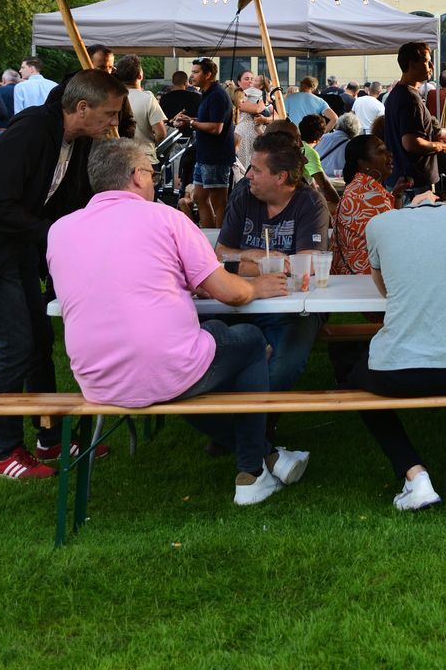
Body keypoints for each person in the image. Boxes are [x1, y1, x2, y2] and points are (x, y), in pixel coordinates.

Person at [49, 139, 303, 504]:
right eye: (151, 173)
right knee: (246, 340)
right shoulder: (166, 217)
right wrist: (257, 287)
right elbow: (229, 293)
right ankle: (254, 470)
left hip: (96, 378)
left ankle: (265, 455)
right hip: (163, 370)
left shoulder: (61, 230)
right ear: (136, 177)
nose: (153, 182)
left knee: (213, 336)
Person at [0, 69, 123, 477]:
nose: (114, 123)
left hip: (20, 242)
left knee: (40, 339)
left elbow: (71, 198)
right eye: (110, 114)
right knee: (17, 343)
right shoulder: (31, 132)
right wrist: (56, 234)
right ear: (81, 108)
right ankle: (4, 451)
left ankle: (50, 438)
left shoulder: (77, 139)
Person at [353, 183, 446, 511]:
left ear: (403, 201)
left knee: (351, 382)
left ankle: (414, 474)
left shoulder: (378, 224)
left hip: (395, 372)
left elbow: (386, 290)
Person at [216, 129, 331, 390]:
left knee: (283, 366)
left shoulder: (310, 203)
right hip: (243, 298)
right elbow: (220, 254)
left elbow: (305, 266)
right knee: (204, 342)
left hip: (296, 308)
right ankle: (241, 415)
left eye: (256, 169)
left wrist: (240, 265)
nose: (248, 175)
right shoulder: (244, 193)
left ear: (281, 177)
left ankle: (255, 422)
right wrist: (256, 257)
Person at [172, 58, 234, 228]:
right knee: (199, 197)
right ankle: (208, 235)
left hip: (216, 156)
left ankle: (219, 240)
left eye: (196, 72)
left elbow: (216, 128)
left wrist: (191, 123)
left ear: (208, 75)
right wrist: (189, 120)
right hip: (205, 155)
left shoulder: (217, 95)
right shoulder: (207, 93)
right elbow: (208, 120)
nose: (192, 75)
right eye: (192, 72)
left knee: (219, 202)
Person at [386, 42, 446, 197]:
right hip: (414, 184)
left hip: (402, 179)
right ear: (411, 64)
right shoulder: (410, 98)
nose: (431, 66)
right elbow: (411, 143)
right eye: (426, 61)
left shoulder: (396, 94)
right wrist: (441, 146)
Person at [334, 132, 398, 276]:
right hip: (365, 275)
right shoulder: (369, 194)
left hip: (348, 272)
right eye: (380, 151)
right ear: (362, 163)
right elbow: (394, 238)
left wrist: (396, 196)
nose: (389, 154)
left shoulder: (359, 186)